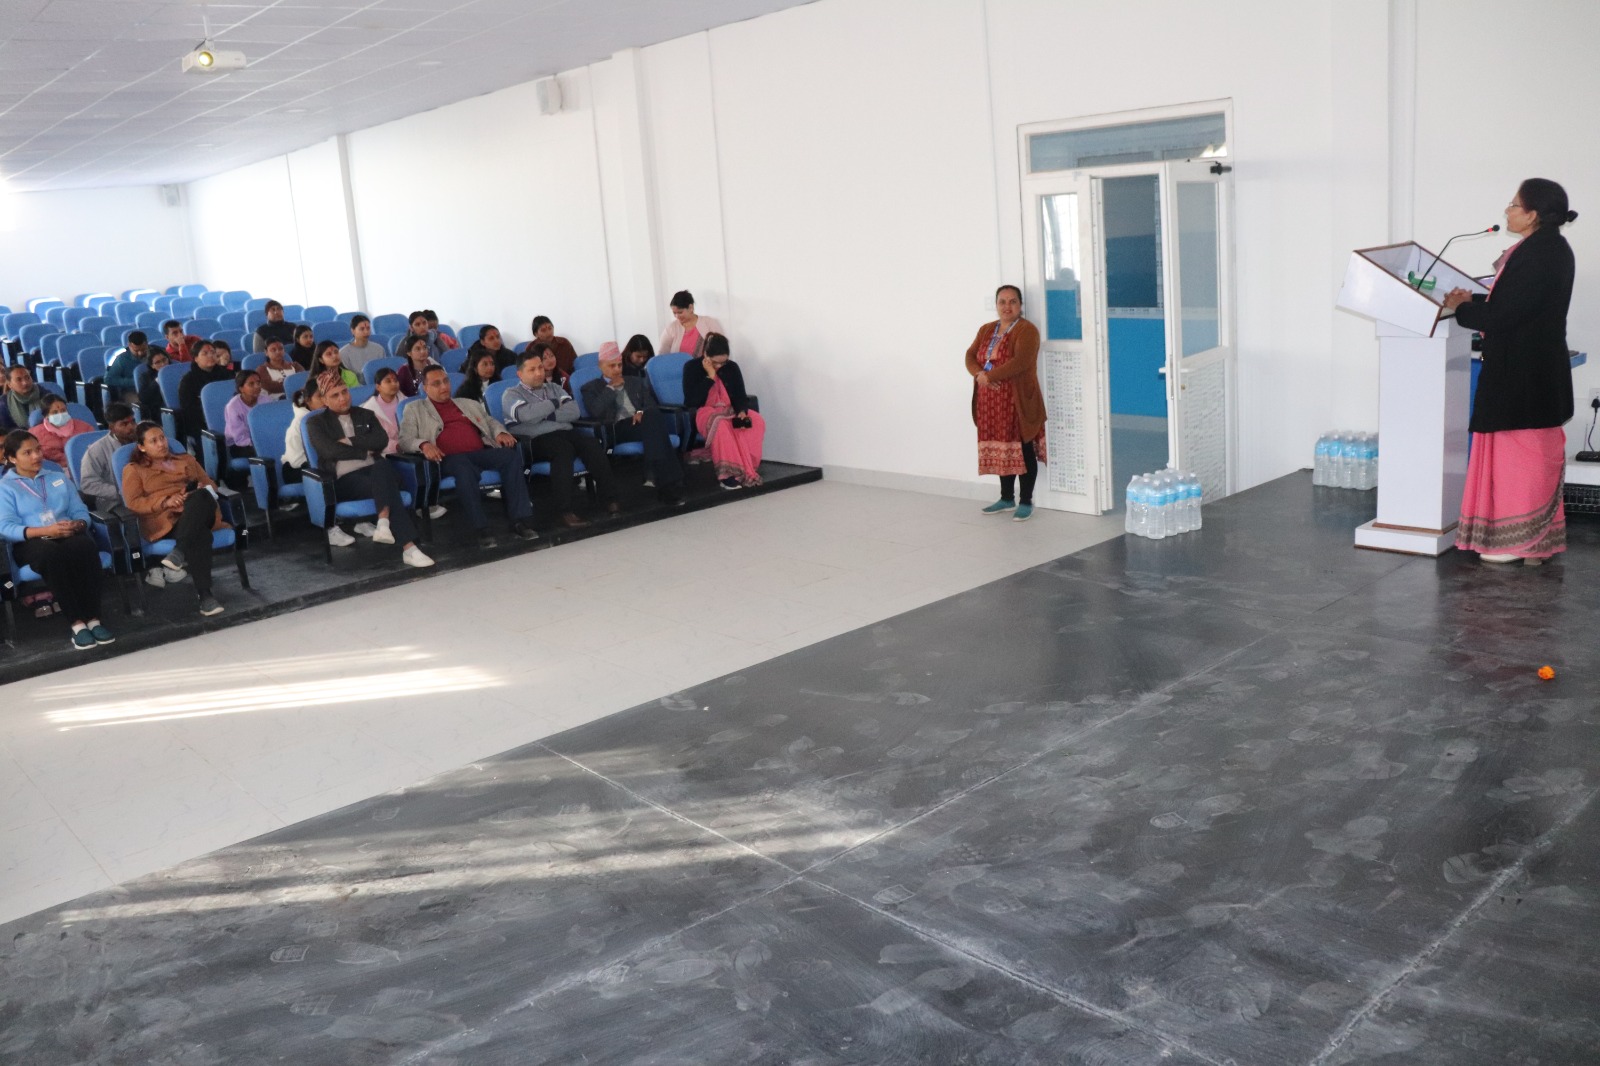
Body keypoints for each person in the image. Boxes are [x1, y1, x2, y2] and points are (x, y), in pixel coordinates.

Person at [1442, 178, 1578, 565]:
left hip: (1523, 377)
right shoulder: (1547, 248)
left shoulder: (1539, 253)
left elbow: (1504, 315)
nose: (1507, 211)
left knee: (1519, 460)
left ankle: (1514, 543)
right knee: (1529, 456)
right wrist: (1471, 300)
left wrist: (1463, 309)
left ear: (1532, 214)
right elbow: (1515, 301)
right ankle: (1534, 544)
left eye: (1514, 205)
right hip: (1532, 373)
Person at [399, 365, 538, 546]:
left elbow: (490, 421)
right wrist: (423, 445)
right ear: (425, 388)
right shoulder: (414, 408)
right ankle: (482, 528)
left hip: (478, 453)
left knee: (509, 457)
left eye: (446, 381)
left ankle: (520, 521)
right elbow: (405, 440)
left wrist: (500, 433)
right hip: (447, 459)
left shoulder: (468, 404)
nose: (444, 386)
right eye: (436, 383)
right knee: (464, 468)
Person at [0, 431, 114, 648]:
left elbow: (80, 511)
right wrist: (44, 531)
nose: (36, 456)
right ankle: (77, 624)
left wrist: (78, 524)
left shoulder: (58, 478)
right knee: (51, 554)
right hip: (31, 541)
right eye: (27, 453)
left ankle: (94, 619)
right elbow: (5, 528)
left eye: (38, 450)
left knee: (85, 546)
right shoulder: (5, 487)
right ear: (13, 458)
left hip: (65, 532)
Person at [307, 379, 434, 567]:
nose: (342, 398)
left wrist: (349, 441)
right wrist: (363, 450)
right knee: (388, 484)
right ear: (325, 400)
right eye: (335, 395)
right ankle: (407, 546)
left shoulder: (365, 414)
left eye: (344, 392)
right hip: (344, 480)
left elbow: (380, 441)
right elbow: (329, 451)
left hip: (375, 471)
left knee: (383, 468)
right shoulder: (316, 422)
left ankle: (386, 525)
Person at [503, 350, 620, 527]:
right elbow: (526, 415)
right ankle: (565, 511)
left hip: (564, 432)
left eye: (540, 367)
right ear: (520, 374)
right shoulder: (512, 394)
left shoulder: (554, 388)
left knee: (591, 443)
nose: (539, 373)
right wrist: (555, 403)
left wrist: (544, 415)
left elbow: (574, 411)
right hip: (534, 439)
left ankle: (610, 498)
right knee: (562, 449)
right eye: (532, 370)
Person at [122, 421, 227, 616]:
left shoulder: (186, 459)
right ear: (142, 447)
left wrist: (198, 489)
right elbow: (133, 503)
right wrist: (165, 502)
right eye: (153, 441)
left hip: (198, 510)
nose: (161, 444)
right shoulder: (134, 470)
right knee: (200, 534)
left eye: (162, 438)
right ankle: (205, 596)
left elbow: (211, 484)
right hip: (166, 520)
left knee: (201, 495)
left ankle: (179, 551)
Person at [966, 284, 1047, 521]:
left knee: (1022, 449)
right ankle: (1006, 498)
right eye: (1002, 302)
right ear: (996, 305)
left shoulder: (1027, 330)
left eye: (1013, 302)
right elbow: (970, 355)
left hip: (1017, 402)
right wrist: (979, 375)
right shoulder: (986, 329)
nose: (1007, 306)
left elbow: (1020, 362)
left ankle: (1026, 501)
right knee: (1002, 450)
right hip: (990, 403)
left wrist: (989, 376)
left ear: (1020, 305)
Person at [581, 341, 685, 505]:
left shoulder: (634, 381)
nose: (617, 370)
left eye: (619, 365)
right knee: (657, 429)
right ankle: (667, 484)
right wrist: (610, 388)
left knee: (652, 417)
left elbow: (650, 404)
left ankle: (660, 480)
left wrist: (640, 412)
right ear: (601, 366)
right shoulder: (590, 387)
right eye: (612, 366)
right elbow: (596, 411)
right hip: (616, 428)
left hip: (641, 423)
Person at [683, 332, 765, 489]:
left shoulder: (732, 367)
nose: (720, 366)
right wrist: (710, 376)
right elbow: (691, 401)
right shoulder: (691, 367)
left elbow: (740, 395)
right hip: (705, 412)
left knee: (757, 421)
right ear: (705, 354)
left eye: (723, 362)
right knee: (721, 425)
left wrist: (742, 411)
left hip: (730, 410)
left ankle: (748, 466)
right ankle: (728, 474)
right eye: (715, 363)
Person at [362, 368, 445, 520]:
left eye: (395, 380)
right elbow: (373, 440)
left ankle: (426, 503)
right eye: (388, 381)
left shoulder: (409, 403)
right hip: (385, 453)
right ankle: (418, 506)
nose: (393, 384)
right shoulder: (367, 410)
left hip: (409, 445)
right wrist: (396, 446)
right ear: (378, 386)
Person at [79, 403, 140, 512]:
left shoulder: (143, 441)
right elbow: (88, 484)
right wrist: (121, 492)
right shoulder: (96, 450)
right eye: (124, 424)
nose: (131, 427)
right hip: (116, 503)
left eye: (133, 422)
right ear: (112, 428)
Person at [175, 341, 232, 445]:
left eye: (213, 352)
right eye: (205, 353)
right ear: (196, 358)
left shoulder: (226, 374)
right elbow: (189, 411)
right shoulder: (188, 381)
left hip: (229, 418)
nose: (210, 355)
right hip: (201, 424)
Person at [29, 394, 95, 471]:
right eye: (55, 412)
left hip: (84, 466)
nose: (60, 414)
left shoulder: (85, 427)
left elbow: (95, 449)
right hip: (53, 471)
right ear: (46, 415)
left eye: (63, 410)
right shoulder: (34, 434)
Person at [283, 378, 325, 485]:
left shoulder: (330, 415)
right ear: (308, 400)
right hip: (298, 469)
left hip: (318, 465)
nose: (325, 400)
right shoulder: (300, 423)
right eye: (320, 396)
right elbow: (296, 461)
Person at [658, 290, 724, 356]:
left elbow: (721, 348)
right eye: (674, 313)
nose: (677, 316)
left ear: (690, 307)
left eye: (680, 312)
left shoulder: (709, 323)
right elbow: (662, 355)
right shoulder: (671, 328)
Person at [223, 369, 262, 464]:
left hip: (262, 440)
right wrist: (260, 443)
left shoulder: (266, 400)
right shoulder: (233, 406)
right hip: (239, 445)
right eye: (251, 384)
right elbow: (240, 438)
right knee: (263, 453)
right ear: (241, 388)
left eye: (258, 383)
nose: (257, 386)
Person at [104, 330, 153, 403]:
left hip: (151, 388)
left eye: (143, 350)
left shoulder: (155, 352)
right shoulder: (121, 358)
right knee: (144, 402)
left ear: (147, 344)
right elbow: (109, 379)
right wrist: (134, 381)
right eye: (136, 351)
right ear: (129, 345)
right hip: (130, 391)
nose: (140, 353)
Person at [7, 366, 50, 431]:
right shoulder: (4, 404)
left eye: (27, 377)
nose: (25, 383)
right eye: (19, 380)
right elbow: (6, 431)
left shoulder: (45, 394)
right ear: (9, 384)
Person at [137, 350, 171, 422]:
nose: (163, 364)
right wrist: (157, 382)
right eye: (158, 362)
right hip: (159, 408)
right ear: (152, 366)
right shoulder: (146, 377)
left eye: (164, 360)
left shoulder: (176, 371)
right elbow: (143, 397)